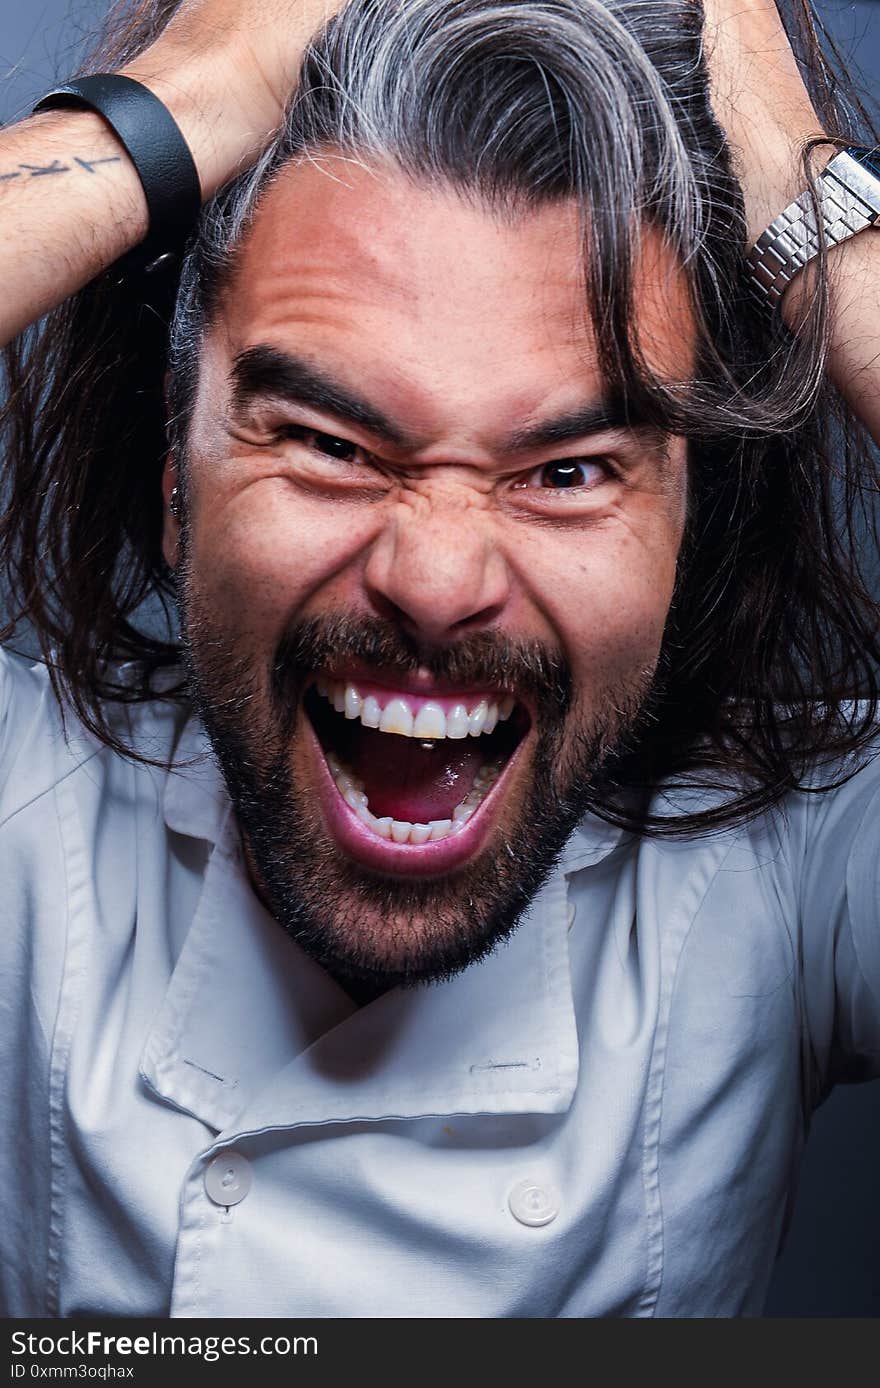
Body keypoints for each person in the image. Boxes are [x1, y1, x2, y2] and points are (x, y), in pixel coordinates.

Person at [0, 0, 878, 1318]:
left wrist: (795, 186)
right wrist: (186, 97)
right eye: (333, 445)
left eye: (570, 471)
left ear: (681, 537)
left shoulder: (796, 873)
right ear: (176, 494)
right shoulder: (30, 814)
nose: (436, 578)